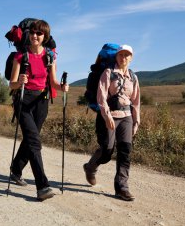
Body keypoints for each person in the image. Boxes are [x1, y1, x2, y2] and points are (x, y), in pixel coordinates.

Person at [9, 20, 69, 201]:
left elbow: (53, 83)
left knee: (30, 139)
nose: (35, 36)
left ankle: (16, 169)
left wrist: (62, 86)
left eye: (39, 33)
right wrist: (20, 82)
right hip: (23, 100)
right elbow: (11, 84)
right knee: (34, 141)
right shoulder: (20, 56)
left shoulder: (50, 57)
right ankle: (42, 186)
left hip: (41, 102)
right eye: (33, 32)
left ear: (45, 37)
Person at [83, 44, 140, 201]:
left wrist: (136, 121)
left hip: (127, 116)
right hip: (109, 115)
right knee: (107, 150)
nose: (124, 58)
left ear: (131, 58)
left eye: (127, 55)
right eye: (121, 55)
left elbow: (135, 101)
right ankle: (90, 167)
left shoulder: (133, 77)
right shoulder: (108, 73)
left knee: (125, 151)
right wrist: (107, 116)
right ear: (116, 56)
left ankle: (122, 187)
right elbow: (101, 97)